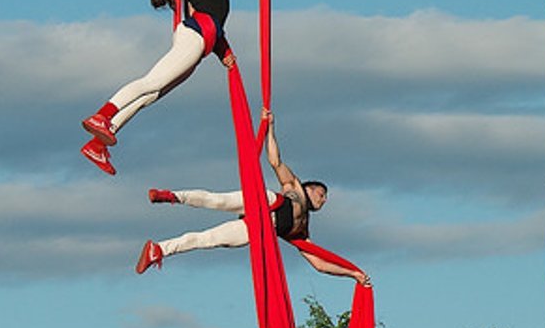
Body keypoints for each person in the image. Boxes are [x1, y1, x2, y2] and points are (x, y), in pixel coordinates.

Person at [80, 0, 229, 175]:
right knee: (152, 82)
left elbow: (212, 17)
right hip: (194, 38)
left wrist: (224, 51)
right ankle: (103, 115)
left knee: (152, 95)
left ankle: (97, 145)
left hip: (199, 39)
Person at [133, 115, 369, 283]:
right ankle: (171, 196)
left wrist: (353, 274)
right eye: (322, 194)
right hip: (264, 201)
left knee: (209, 239)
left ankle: (159, 249)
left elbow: (319, 264)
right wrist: (269, 128)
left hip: (257, 228)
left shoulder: (301, 231)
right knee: (218, 201)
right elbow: (275, 160)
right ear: (310, 187)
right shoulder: (294, 187)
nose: (324, 200)